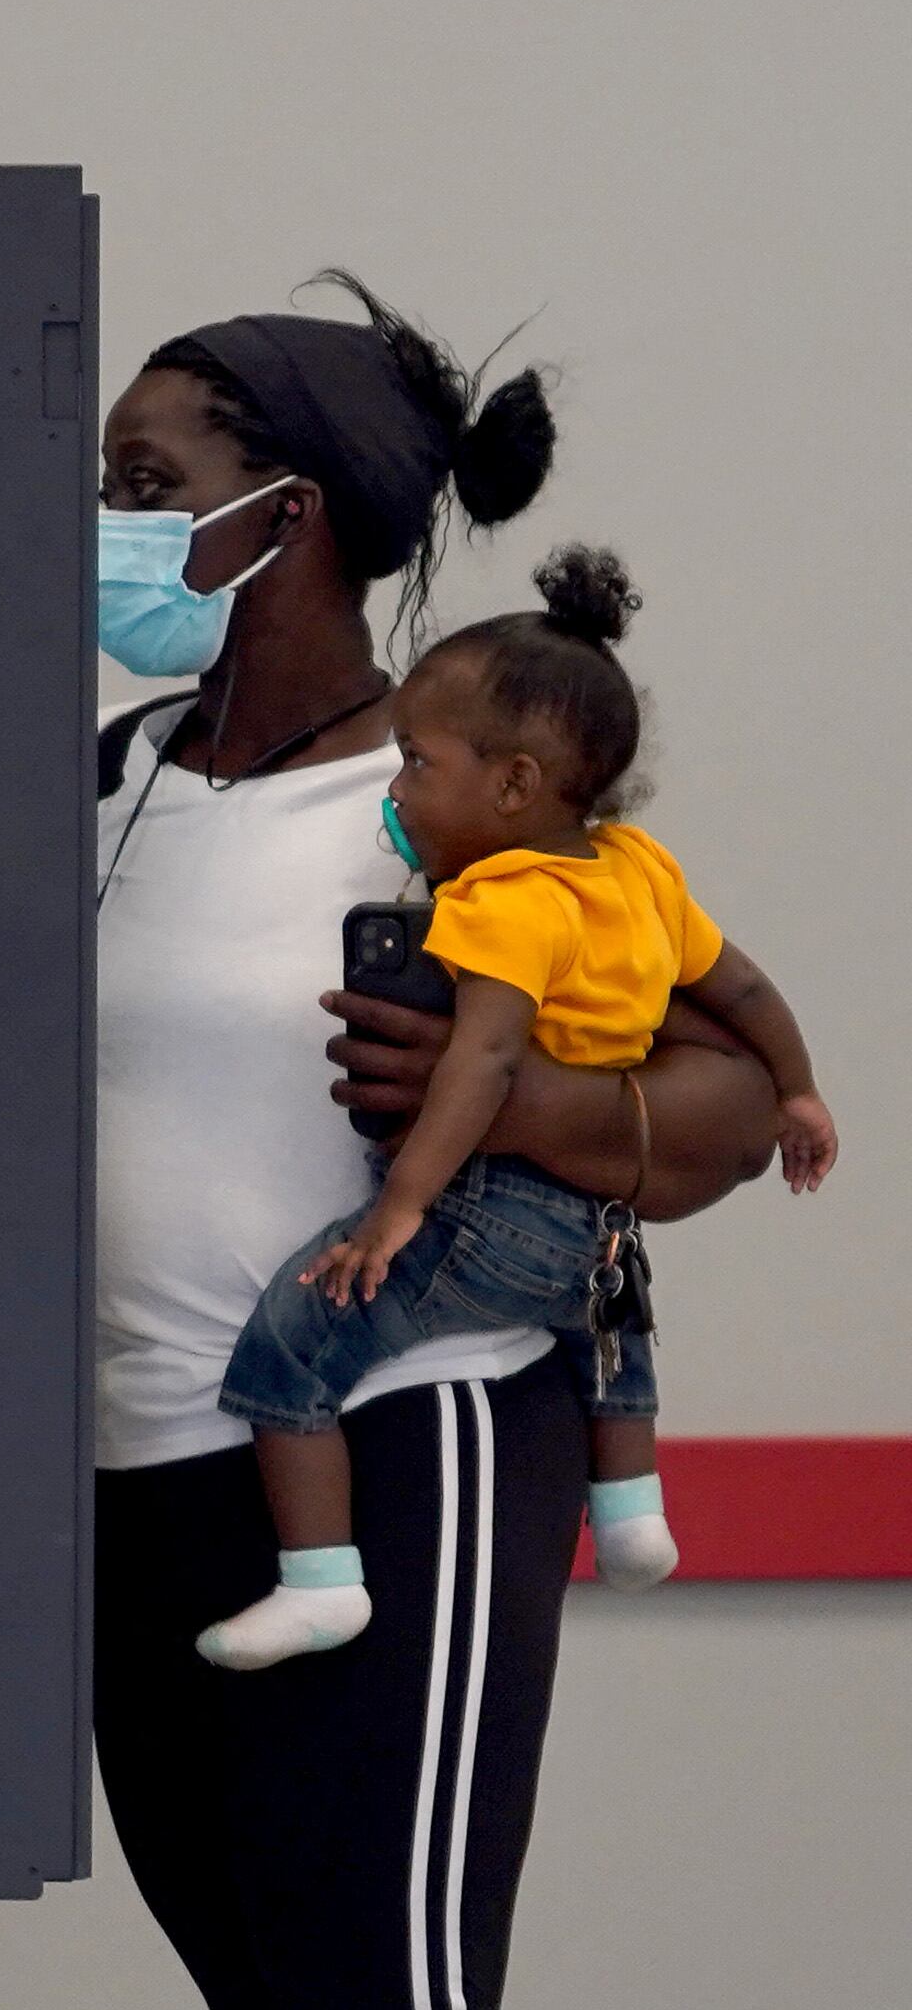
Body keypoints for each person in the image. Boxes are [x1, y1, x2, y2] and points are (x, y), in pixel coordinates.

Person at [6, 275, 784, 2010]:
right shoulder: (116, 772)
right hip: (150, 1475)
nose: (109, 520)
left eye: (148, 477)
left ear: (294, 516)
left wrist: (530, 1117)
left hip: (415, 1453)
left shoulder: (456, 808)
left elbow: (718, 1107)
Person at [197, 548, 837, 1670]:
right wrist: (798, 1087)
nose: (395, 787)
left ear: (511, 786)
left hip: (487, 1209)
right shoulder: (637, 868)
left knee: (289, 1351)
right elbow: (737, 987)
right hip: (596, 1216)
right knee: (610, 1316)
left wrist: (394, 1215)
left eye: (415, 760)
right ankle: (632, 1510)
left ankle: (319, 1581)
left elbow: (483, 1065)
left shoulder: (498, 898)